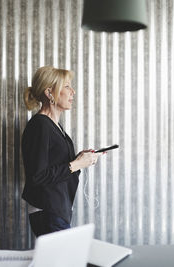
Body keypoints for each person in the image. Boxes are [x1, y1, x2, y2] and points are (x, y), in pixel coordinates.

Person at [21, 66, 103, 237]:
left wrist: (81, 159)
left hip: (57, 208)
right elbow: (38, 176)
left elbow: (58, 166)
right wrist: (76, 164)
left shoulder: (55, 126)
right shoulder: (40, 126)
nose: (73, 91)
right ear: (49, 93)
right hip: (47, 210)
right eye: (66, 86)